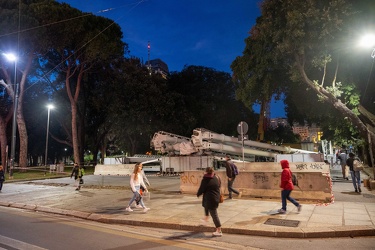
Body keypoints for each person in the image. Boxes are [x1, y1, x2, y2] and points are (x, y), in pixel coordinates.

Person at [197, 166, 222, 237]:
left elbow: (202, 189)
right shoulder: (216, 177)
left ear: (206, 172)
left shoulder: (205, 179)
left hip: (210, 199)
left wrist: (198, 194)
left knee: (214, 214)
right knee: (206, 206)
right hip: (215, 197)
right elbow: (219, 185)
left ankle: (219, 230)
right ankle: (206, 218)